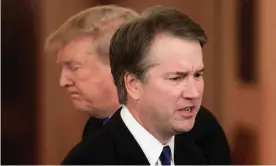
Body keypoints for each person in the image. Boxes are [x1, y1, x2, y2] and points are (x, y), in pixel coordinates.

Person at [60, 6, 231, 165]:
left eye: (198, 75)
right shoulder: (89, 157)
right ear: (133, 85)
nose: (193, 93)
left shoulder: (197, 152)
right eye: (176, 78)